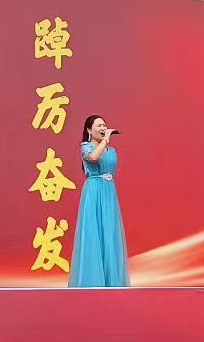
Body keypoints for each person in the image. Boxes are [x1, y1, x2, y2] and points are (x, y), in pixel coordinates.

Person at [69, 115, 129, 287]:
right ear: (89, 130)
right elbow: (94, 158)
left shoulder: (112, 150)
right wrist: (105, 140)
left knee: (109, 232)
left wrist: (105, 142)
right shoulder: (86, 147)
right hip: (94, 191)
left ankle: (111, 282)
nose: (103, 128)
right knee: (94, 232)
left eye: (104, 125)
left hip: (109, 192)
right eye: (98, 126)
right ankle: (92, 281)